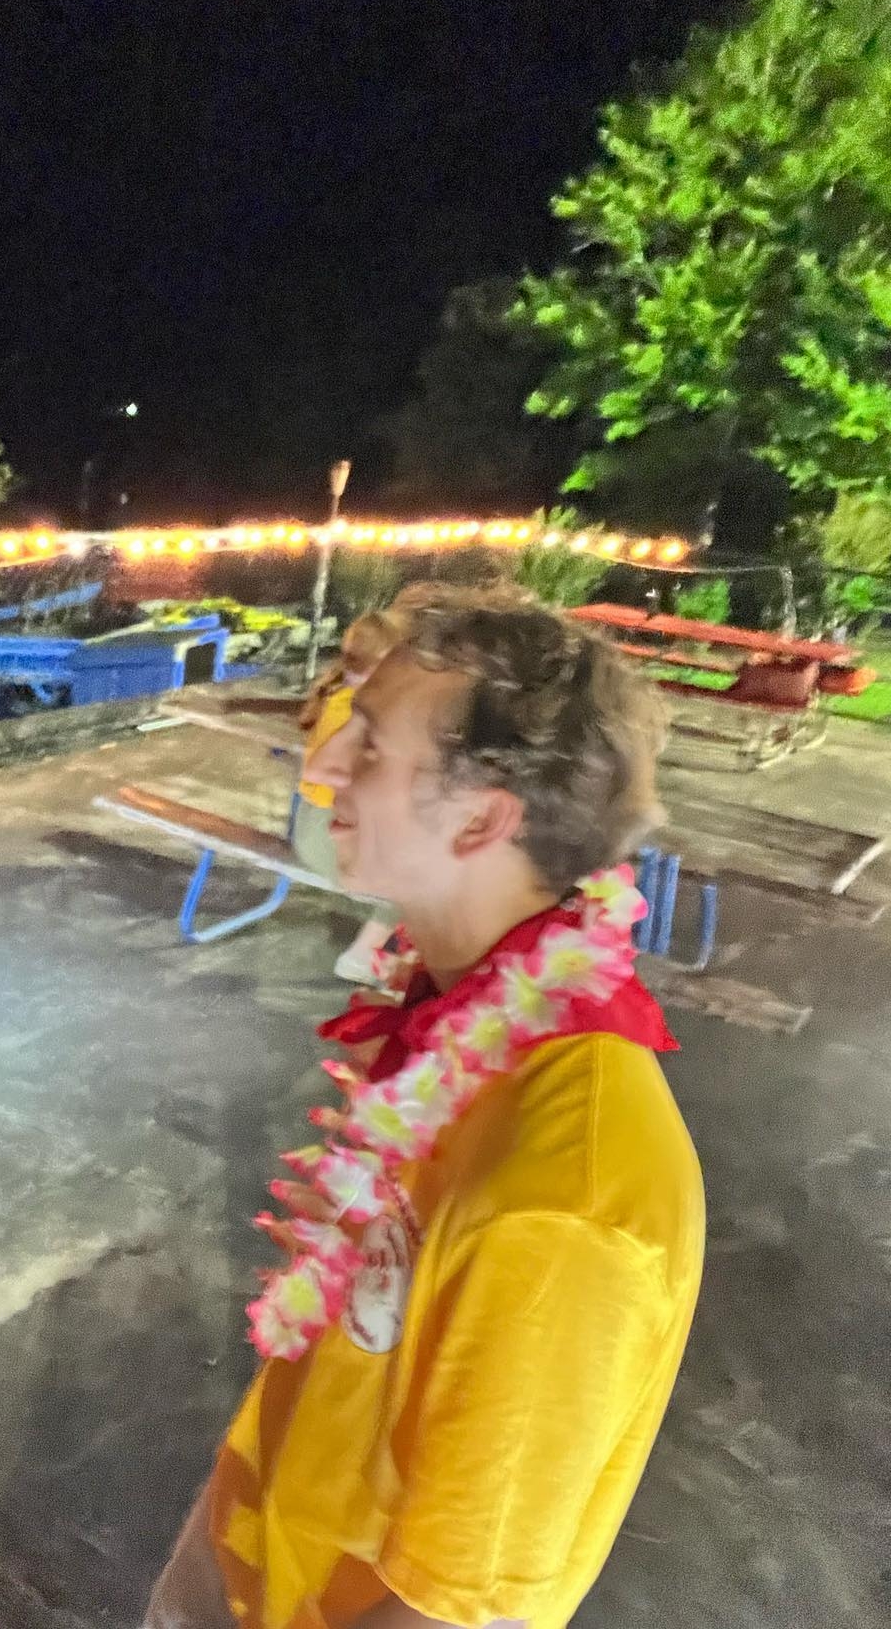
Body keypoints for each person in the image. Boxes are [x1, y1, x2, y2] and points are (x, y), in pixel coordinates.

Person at [148, 591, 704, 1629]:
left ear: (483, 819)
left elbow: (457, 1609)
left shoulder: (567, 1193)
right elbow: (332, 1366)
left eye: (369, 745)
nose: (322, 766)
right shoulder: (450, 1028)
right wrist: (195, 1577)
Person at [294, 612, 406, 987]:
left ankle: (382, 951)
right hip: (327, 837)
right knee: (418, 879)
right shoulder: (358, 710)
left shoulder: (337, 694)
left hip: (310, 827)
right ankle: (364, 954)